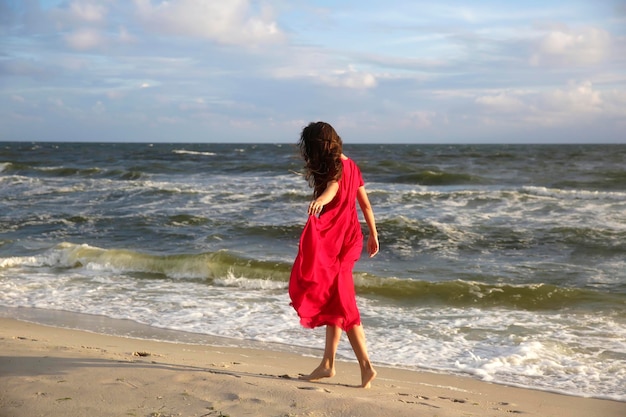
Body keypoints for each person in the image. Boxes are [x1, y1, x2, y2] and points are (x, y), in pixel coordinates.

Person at [289, 121, 379, 388]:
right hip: (350, 238)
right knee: (335, 299)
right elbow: (365, 204)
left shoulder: (336, 167)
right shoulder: (352, 165)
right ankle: (328, 363)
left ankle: (366, 366)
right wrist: (374, 234)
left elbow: (334, 188)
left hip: (337, 240)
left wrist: (320, 201)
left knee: (343, 300)